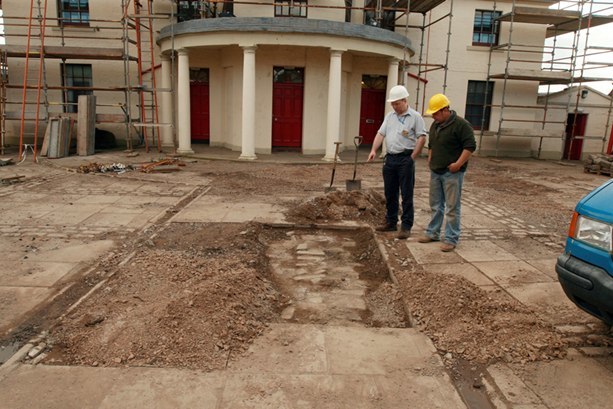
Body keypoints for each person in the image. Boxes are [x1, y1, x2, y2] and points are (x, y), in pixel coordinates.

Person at [367, 85, 427, 239]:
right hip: (390, 159)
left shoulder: (415, 117)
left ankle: (406, 226)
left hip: (405, 159)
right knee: (390, 193)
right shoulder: (390, 116)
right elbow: (381, 133)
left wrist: (413, 157)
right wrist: (374, 149)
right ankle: (391, 221)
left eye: (397, 103)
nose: (394, 106)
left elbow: (422, 137)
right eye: (392, 104)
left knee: (406, 194)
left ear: (404, 100)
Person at [419, 93, 476, 252]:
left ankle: (451, 238)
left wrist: (458, 164)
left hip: (452, 173)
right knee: (436, 205)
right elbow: (431, 145)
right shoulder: (435, 125)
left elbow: (470, 146)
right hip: (436, 171)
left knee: (452, 206)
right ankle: (433, 233)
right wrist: (430, 159)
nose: (434, 117)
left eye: (436, 113)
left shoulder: (462, 125)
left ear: (445, 110)